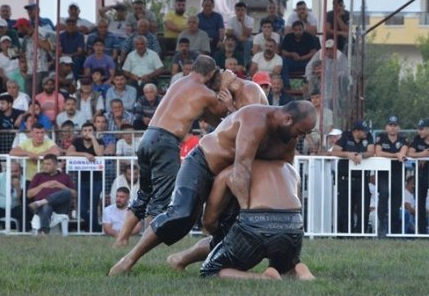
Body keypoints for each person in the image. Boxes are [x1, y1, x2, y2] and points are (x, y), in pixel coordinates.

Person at [109, 101, 317, 276]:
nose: (300, 137)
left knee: (228, 234)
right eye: (301, 131)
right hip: (204, 165)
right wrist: (246, 211)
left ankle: (180, 260)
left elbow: (284, 174)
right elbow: (241, 169)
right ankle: (129, 258)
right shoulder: (255, 119)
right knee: (181, 214)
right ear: (287, 119)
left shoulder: (288, 138)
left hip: (233, 179)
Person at [111, 56, 232, 247]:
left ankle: (122, 239)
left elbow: (207, 116)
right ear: (210, 74)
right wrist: (226, 88)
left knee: (144, 193)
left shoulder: (178, 84)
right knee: (160, 199)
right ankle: (143, 248)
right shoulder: (205, 92)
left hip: (147, 138)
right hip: (165, 142)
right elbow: (223, 112)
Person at [197, 160, 315, 280]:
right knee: (284, 269)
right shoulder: (290, 170)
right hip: (293, 223)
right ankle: (298, 268)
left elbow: (209, 221)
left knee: (210, 270)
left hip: (256, 223)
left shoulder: (232, 171)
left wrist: (220, 234)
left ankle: (265, 277)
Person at [331, 119, 374, 235]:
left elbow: (371, 152)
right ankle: (346, 233)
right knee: (346, 208)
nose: (366, 133)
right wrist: (347, 154)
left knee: (364, 207)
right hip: (345, 179)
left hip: (362, 179)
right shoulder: (345, 136)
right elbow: (335, 152)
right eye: (363, 131)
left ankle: (361, 234)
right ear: (356, 131)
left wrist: (361, 155)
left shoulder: (368, 137)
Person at [66, 121, 106, 233]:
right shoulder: (77, 141)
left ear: (94, 132)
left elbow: (99, 154)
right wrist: (84, 154)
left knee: (93, 207)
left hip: (96, 180)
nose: (87, 132)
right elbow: (69, 153)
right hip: (82, 180)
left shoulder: (99, 141)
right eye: (85, 130)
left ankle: (93, 231)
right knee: (82, 209)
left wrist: (93, 138)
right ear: (81, 132)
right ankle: (96, 229)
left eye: (90, 130)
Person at [27, 154, 75, 235]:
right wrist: (42, 186)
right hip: (42, 208)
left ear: (56, 165)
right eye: (44, 164)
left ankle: (41, 202)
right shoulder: (38, 176)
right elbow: (29, 194)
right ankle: (44, 232)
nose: (45, 166)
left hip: (60, 207)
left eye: (48, 164)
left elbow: (74, 194)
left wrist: (61, 186)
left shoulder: (65, 176)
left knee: (67, 192)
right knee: (46, 206)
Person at [279, 20, 320, 88]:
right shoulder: (288, 37)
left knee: (314, 63)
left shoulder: (309, 37)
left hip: (306, 62)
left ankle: (310, 86)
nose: (298, 32)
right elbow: (283, 51)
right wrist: (291, 54)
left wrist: (301, 58)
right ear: (292, 30)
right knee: (283, 61)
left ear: (303, 29)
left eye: (300, 29)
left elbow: (313, 52)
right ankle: (286, 85)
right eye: (296, 30)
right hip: (291, 61)